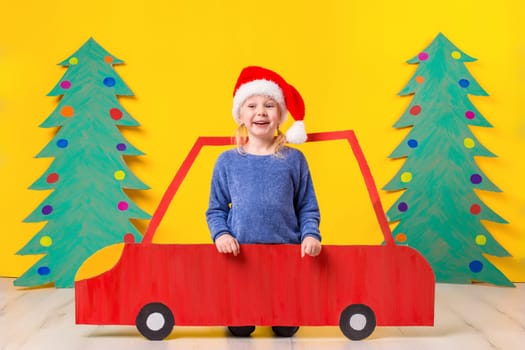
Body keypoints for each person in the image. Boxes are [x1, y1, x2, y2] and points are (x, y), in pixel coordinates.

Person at [205, 66, 322, 337]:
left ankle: (281, 313)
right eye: (252, 105)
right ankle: (243, 312)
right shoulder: (227, 161)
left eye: (270, 105)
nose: (261, 112)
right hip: (241, 257)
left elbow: (307, 206)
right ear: (241, 114)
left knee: (286, 330)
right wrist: (221, 234)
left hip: (285, 255)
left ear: (280, 115)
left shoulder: (294, 160)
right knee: (240, 329)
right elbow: (216, 209)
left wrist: (311, 235)